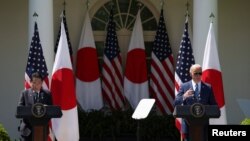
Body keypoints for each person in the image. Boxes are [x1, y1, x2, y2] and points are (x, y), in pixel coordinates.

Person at [174, 64, 218, 141]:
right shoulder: (184, 86)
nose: (198, 75)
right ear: (191, 74)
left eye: (200, 73)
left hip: (203, 126)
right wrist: (184, 96)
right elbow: (176, 102)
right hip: (188, 126)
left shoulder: (208, 87)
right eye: (195, 73)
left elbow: (214, 105)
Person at [18, 72, 52, 141]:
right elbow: (20, 109)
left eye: (39, 82)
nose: (36, 85)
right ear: (30, 82)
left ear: (42, 82)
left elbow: (51, 111)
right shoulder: (25, 93)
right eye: (34, 82)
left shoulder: (47, 94)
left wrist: (46, 108)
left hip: (42, 129)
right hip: (27, 129)